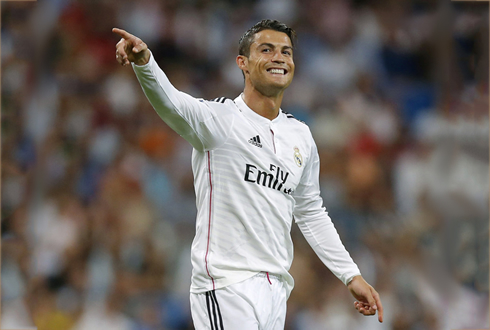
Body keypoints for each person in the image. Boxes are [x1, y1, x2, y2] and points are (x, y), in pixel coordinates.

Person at [113, 19, 383, 329]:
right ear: (243, 63)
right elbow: (171, 103)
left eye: (286, 51)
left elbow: (310, 211)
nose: (279, 57)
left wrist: (350, 274)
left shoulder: (300, 136)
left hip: (276, 289)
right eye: (266, 50)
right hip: (226, 285)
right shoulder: (221, 119)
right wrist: (145, 63)